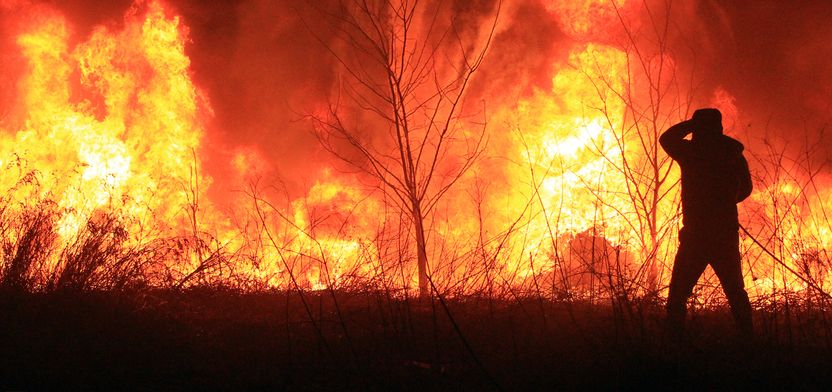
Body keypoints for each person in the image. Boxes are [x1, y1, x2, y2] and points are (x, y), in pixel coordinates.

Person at [660, 108, 753, 341]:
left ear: (698, 128)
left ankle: (673, 343)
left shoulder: (691, 152)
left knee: (678, 294)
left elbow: (666, 139)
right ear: (719, 127)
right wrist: (726, 203)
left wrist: (691, 125)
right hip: (725, 233)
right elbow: (746, 188)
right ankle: (749, 340)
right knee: (735, 291)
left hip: (696, 235)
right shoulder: (732, 153)